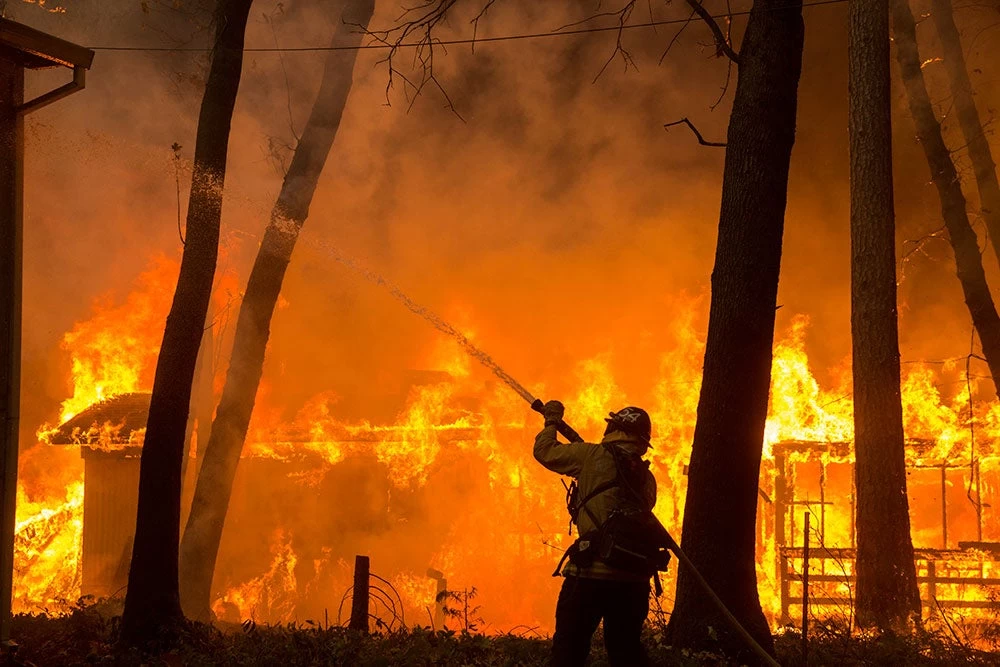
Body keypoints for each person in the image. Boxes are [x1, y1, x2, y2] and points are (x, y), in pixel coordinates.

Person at [533, 399, 664, 667]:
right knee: (626, 653)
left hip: (589, 576)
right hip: (633, 579)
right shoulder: (646, 476)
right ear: (641, 440)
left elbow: (545, 451)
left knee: (568, 653)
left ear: (613, 429)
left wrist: (551, 421)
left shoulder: (589, 456)